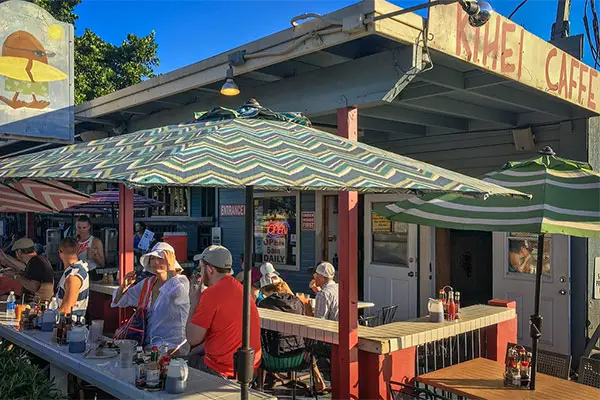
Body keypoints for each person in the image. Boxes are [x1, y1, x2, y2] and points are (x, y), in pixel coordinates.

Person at [186, 245, 261, 378]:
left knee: (175, 366)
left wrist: (194, 304)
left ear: (209, 269)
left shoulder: (211, 294)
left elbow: (192, 338)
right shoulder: (241, 289)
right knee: (193, 355)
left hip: (221, 370)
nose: (200, 273)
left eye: (200, 268)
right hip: (249, 369)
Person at [112, 242, 190, 354]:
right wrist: (123, 286)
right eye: (152, 258)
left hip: (173, 347)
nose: (155, 262)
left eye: (160, 258)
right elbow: (119, 301)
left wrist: (170, 268)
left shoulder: (182, 282)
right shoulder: (148, 283)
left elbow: (176, 292)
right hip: (148, 346)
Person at [0, 238, 54, 303]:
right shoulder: (38, 260)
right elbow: (25, 272)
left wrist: (15, 276)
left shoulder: (35, 262)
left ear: (19, 252)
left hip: (36, 304)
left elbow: (33, 286)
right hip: (37, 302)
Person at [56, 237, 90, 314]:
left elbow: (66, 309)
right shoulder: (75, 271)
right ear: (78, 251)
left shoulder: (73, 276)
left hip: (70, 324)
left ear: (60, 253)